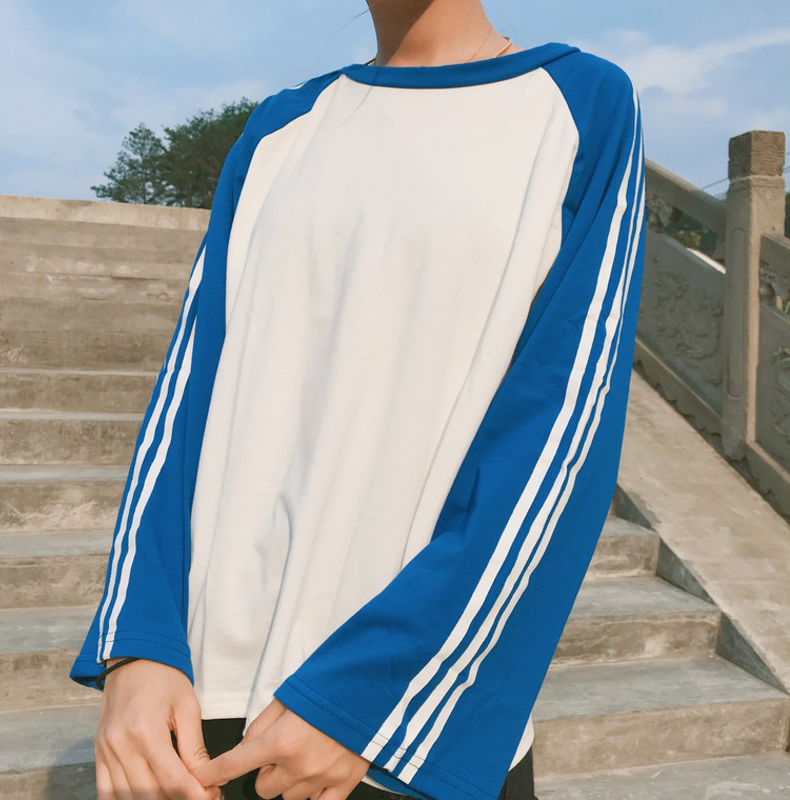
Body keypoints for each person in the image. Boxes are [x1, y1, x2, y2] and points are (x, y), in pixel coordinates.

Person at [69, 1, 647, 799]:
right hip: (200, 710)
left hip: (392, 729)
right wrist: (138, 644)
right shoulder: (279, 129)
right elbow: (184, 403)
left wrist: (369, 696)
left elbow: (559, 435)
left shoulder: (583, 105)